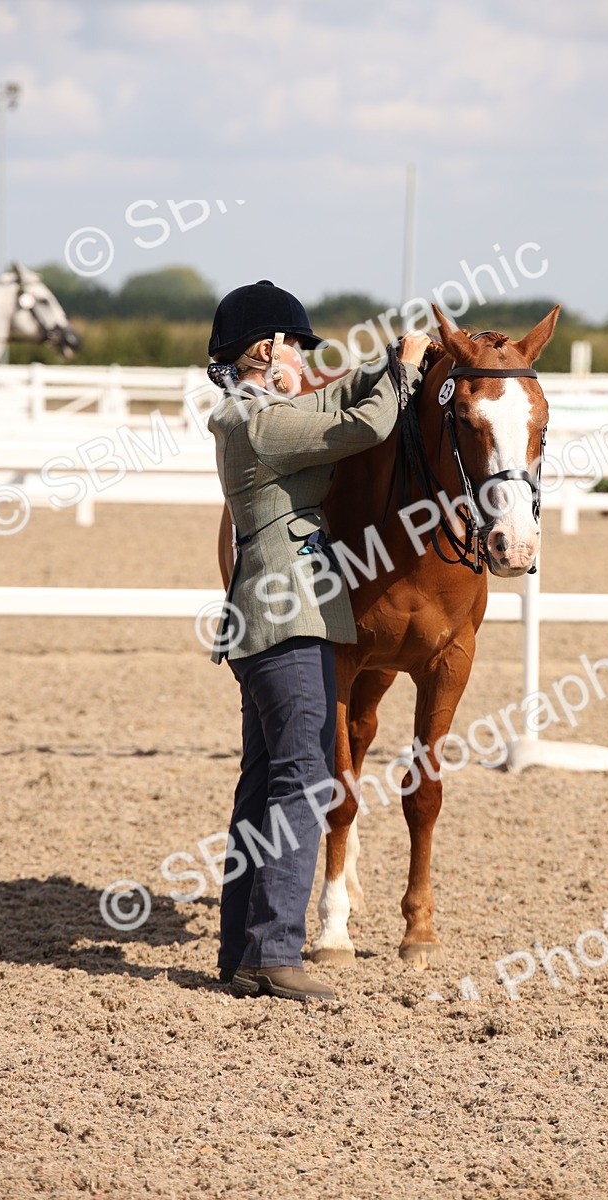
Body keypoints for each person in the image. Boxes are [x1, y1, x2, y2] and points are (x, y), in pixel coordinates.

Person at [206, 280, 430, 1002]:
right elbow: (357, 430)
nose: (304, 360)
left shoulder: (258, 410)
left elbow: (331, 400)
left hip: (267, 620)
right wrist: (398, 378)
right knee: (304, 777)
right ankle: (275, 951)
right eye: (297, 348)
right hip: (289, 619)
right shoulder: (259, 422)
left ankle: (242, 951)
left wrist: (389, 363)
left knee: (261, 784)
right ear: (265, 350)